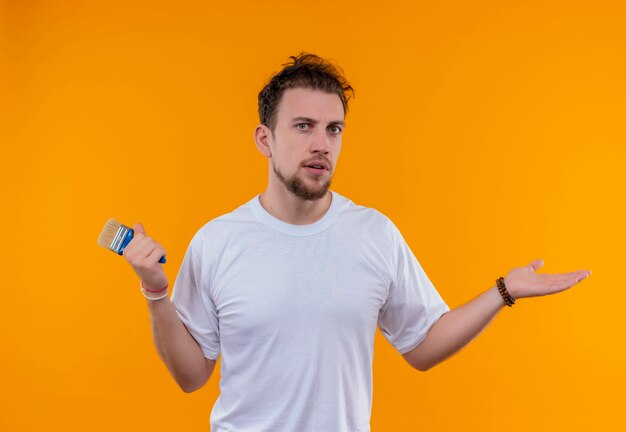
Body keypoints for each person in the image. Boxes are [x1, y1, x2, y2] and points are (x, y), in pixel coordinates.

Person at [122, 53, 591, 431]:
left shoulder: (374, 233)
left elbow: (423, 347)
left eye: (334, 129)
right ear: (265, 140)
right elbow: (191, 377)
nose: (322, 144)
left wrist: (503, 291)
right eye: (304, 126)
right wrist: (156, 292)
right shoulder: (218, 241)